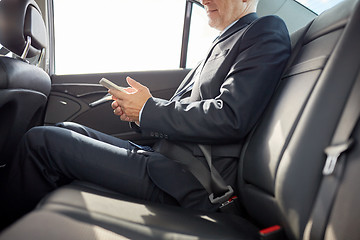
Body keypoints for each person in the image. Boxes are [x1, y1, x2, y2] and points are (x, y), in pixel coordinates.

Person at [0, 0, 291, 226]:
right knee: (65, 129)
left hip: (189, 180)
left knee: (41, 142)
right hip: (161, 159)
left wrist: (147, 110)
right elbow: (190, 108)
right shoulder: (222, 41)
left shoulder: (265, 31)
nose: (203, 1)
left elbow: (230, 116)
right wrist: (138, 113)